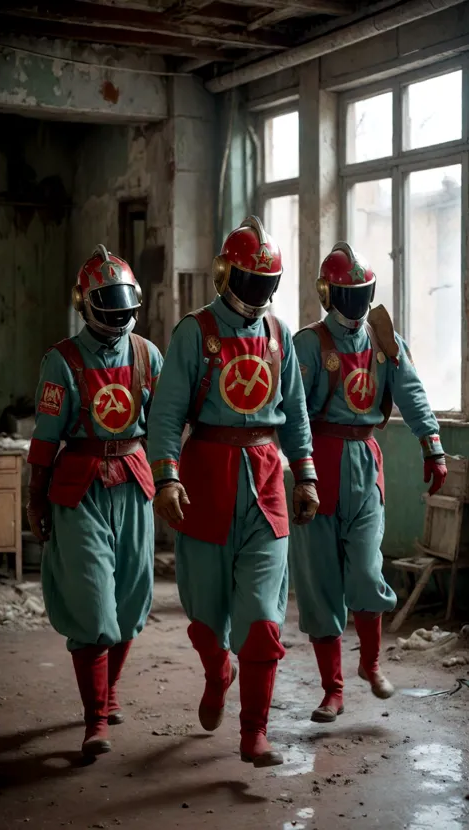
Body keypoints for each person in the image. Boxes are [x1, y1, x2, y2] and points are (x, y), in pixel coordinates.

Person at [148, 216, 319, 767]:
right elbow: (169, 413)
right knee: (204, 614)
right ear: (226, 274)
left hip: (268, 480)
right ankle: (217, 667)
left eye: (267, 284)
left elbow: (294, 412)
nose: (258, 294)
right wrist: (167, 475)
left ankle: (255, 733)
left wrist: (307, 473)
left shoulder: (279, 336)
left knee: (263, 616)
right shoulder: (193, 333)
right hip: (206, 480)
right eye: (249, 282)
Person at [290, 241, 447, 723]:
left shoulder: (384, 340)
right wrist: (297, 469)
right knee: (319, 580)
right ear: (328, 295)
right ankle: (332, 690)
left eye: (363, 293)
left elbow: (412, 392)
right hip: (316, 465)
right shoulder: (309, 344)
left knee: (365, 568)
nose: (357, 305)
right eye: (347, 294)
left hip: (364, 462)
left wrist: (432, 444)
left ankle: (372, 664)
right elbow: (292, 409)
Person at [27, 245, 163, 756]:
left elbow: (167, 425)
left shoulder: (148, 354)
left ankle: (108, 695)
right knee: (92, 600)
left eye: (122, 298)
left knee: (130, 597)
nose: (117, 309)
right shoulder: (61, 361)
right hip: (80, 485)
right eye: (105, 298)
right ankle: (94, 720)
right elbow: (44, 438)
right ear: (85, 302)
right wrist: (36, 500)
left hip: (133, 479)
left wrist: (171, 478)